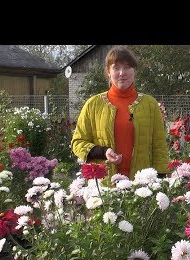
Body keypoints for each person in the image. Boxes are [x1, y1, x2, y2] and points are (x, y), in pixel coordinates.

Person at [71, 45, 169, 181]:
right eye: (116, 68)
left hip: (141, 186)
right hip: (105, 187)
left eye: (127, 67)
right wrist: (103, 151)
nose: (122, 73)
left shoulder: (150, 104)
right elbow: (78, 142)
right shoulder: (93, 104)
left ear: (135, 71)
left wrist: (160, 179)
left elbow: (159, 146)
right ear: (108, 72)